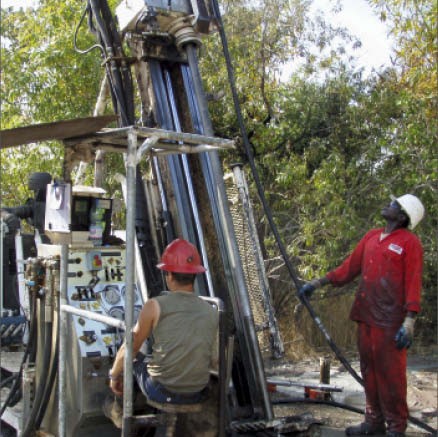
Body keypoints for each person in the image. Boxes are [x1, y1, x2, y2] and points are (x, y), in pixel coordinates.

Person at [299, 194, 425, 437]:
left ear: (402, 216)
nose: (388, 205)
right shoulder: (371, 236)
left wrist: (410, 320)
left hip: (390, 321)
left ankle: (396, 427)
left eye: (394, 205)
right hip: (366, 315)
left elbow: (413, 281)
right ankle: (374, 421)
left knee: (391, 375)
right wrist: (317, 283)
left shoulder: (410, 243)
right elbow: (348, 269)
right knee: (369, 371)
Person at [106, 238, 219, 427]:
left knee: (129, 354)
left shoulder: (154, 306)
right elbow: (214, 359)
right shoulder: (212, 311)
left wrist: (113, 376)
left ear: (168, 276)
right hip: (198, 391)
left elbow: (130, 348)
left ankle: (119, 413)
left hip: (161, 390)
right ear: (194, 276)